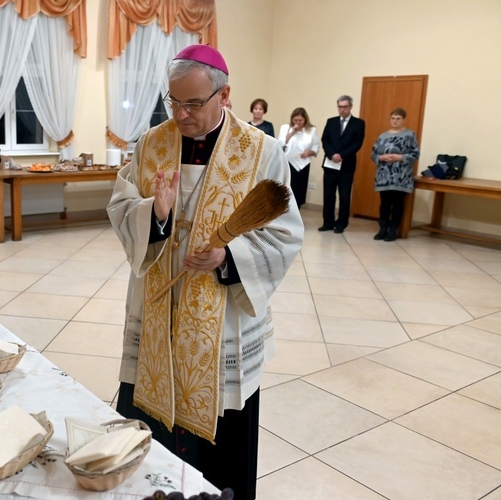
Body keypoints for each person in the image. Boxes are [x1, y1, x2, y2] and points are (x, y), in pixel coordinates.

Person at [106, 45, 304, 500]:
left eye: (193, 103)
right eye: (172, 101)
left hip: (223, 315)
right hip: (159, 305)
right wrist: (153, 214)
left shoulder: (262, 152)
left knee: (221, 453)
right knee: (150, 434)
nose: (180, 114)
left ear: (225, 95)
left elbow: (285, 234)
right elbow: (120, 208)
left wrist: (228, 257)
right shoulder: (152, 143)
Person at [370, 108, 420, 242]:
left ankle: (393, 229)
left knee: (397, 203)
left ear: (403, 120)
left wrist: (399, 157)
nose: (395, 121)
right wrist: (381, 157)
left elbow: (415, 154)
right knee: (385, 203)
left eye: (398, 119)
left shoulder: (410, 135)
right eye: (393, 118)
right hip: (384, 175)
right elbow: (373, 153)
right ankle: (382, 228)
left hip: (401, 176)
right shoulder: (382, 136)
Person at [319, 95, 365, 233]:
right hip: (330, 164)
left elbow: (358, 143)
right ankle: (328, 222)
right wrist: (332, 154)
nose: (342, 109)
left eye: (345, 107)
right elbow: (325, 140)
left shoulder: (358, 123)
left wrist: (342, 155)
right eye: (340, 107)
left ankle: (341, 223)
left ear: (350, 107)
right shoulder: (331, 121)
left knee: (344, 197)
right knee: (328, 195)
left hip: (346, 165)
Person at [277, 107, 319, 208]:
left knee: (300, 190)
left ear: (305, 120)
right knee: (288, 189)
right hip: (289, 163)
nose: (298, 122)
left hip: (303, 164)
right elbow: (280, 143)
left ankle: (298, 209)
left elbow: (316, 145)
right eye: (295, 120)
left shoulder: (311, 130)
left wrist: (309, 153)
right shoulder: (285, 128)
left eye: (300, 120)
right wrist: (293, 132)